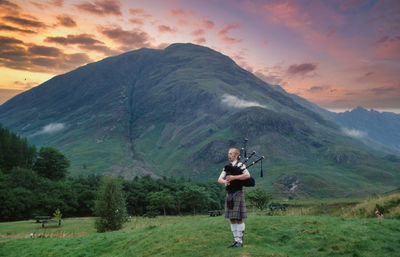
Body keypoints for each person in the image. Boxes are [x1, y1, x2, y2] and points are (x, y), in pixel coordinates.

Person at [218, 148, 250, 248]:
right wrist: (225, 182)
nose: (229, 155)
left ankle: (240, 241)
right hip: (229, 194)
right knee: (231, 218)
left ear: (236, 155)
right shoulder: (227, 167)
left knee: (238, 218)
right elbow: (219, 179)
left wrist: (234, 177)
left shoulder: (241, 165)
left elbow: (247, 176)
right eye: (228, 153)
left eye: (231, 154)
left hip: (238, 193)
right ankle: (235, 240)